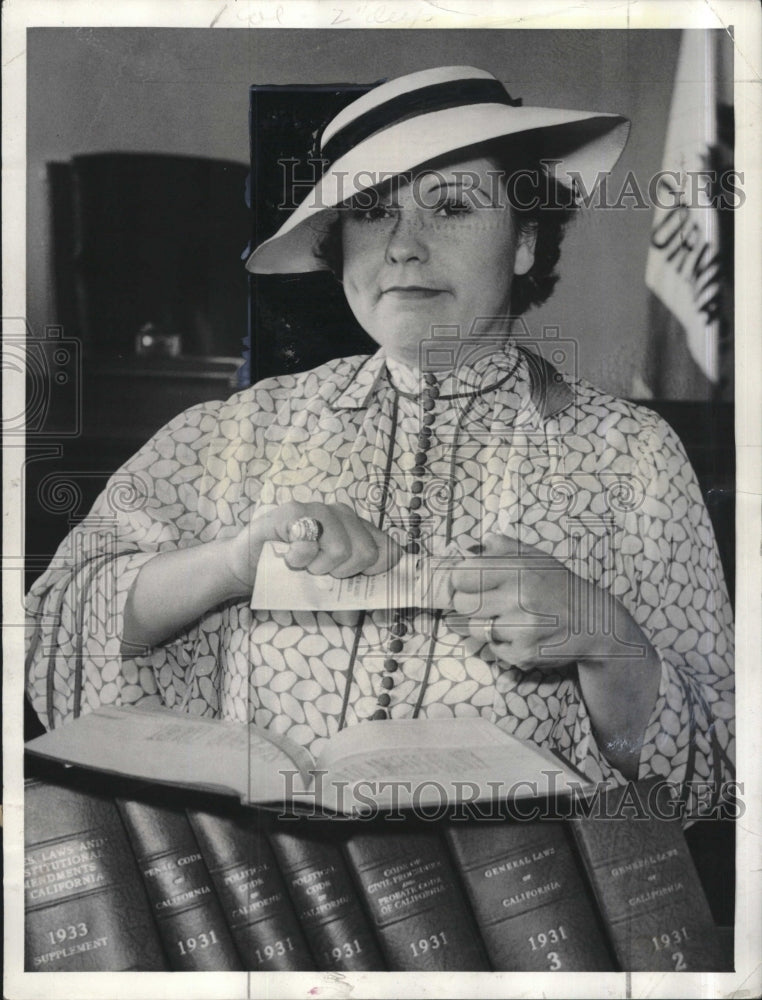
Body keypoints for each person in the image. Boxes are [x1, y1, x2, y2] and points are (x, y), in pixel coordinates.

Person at [26, 66, 733, 814]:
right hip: (267, 908)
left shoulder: (634, 455)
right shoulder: (232, 430)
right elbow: (54, 643)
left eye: (451, 207)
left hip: (520, 913)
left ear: (525, 241)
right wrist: (231, 563)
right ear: (339, 250)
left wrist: (605, 640)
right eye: (370, 213)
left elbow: (715, 776)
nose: (403, 248)